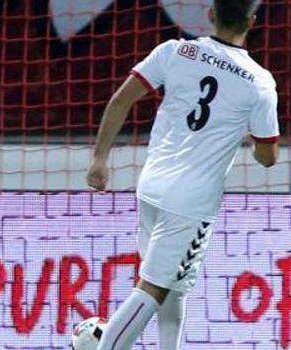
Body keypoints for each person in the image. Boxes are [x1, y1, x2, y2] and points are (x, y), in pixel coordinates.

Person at [85, 1, 279, 349]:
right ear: (252, 21)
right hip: (191, 202)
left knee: (173, 283)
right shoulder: (259, 82)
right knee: (154, 288)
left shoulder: (175, 51)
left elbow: (120, 100)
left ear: (210, 15)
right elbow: (268, 158)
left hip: (152, 186)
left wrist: (100, 158)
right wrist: (247, 134)